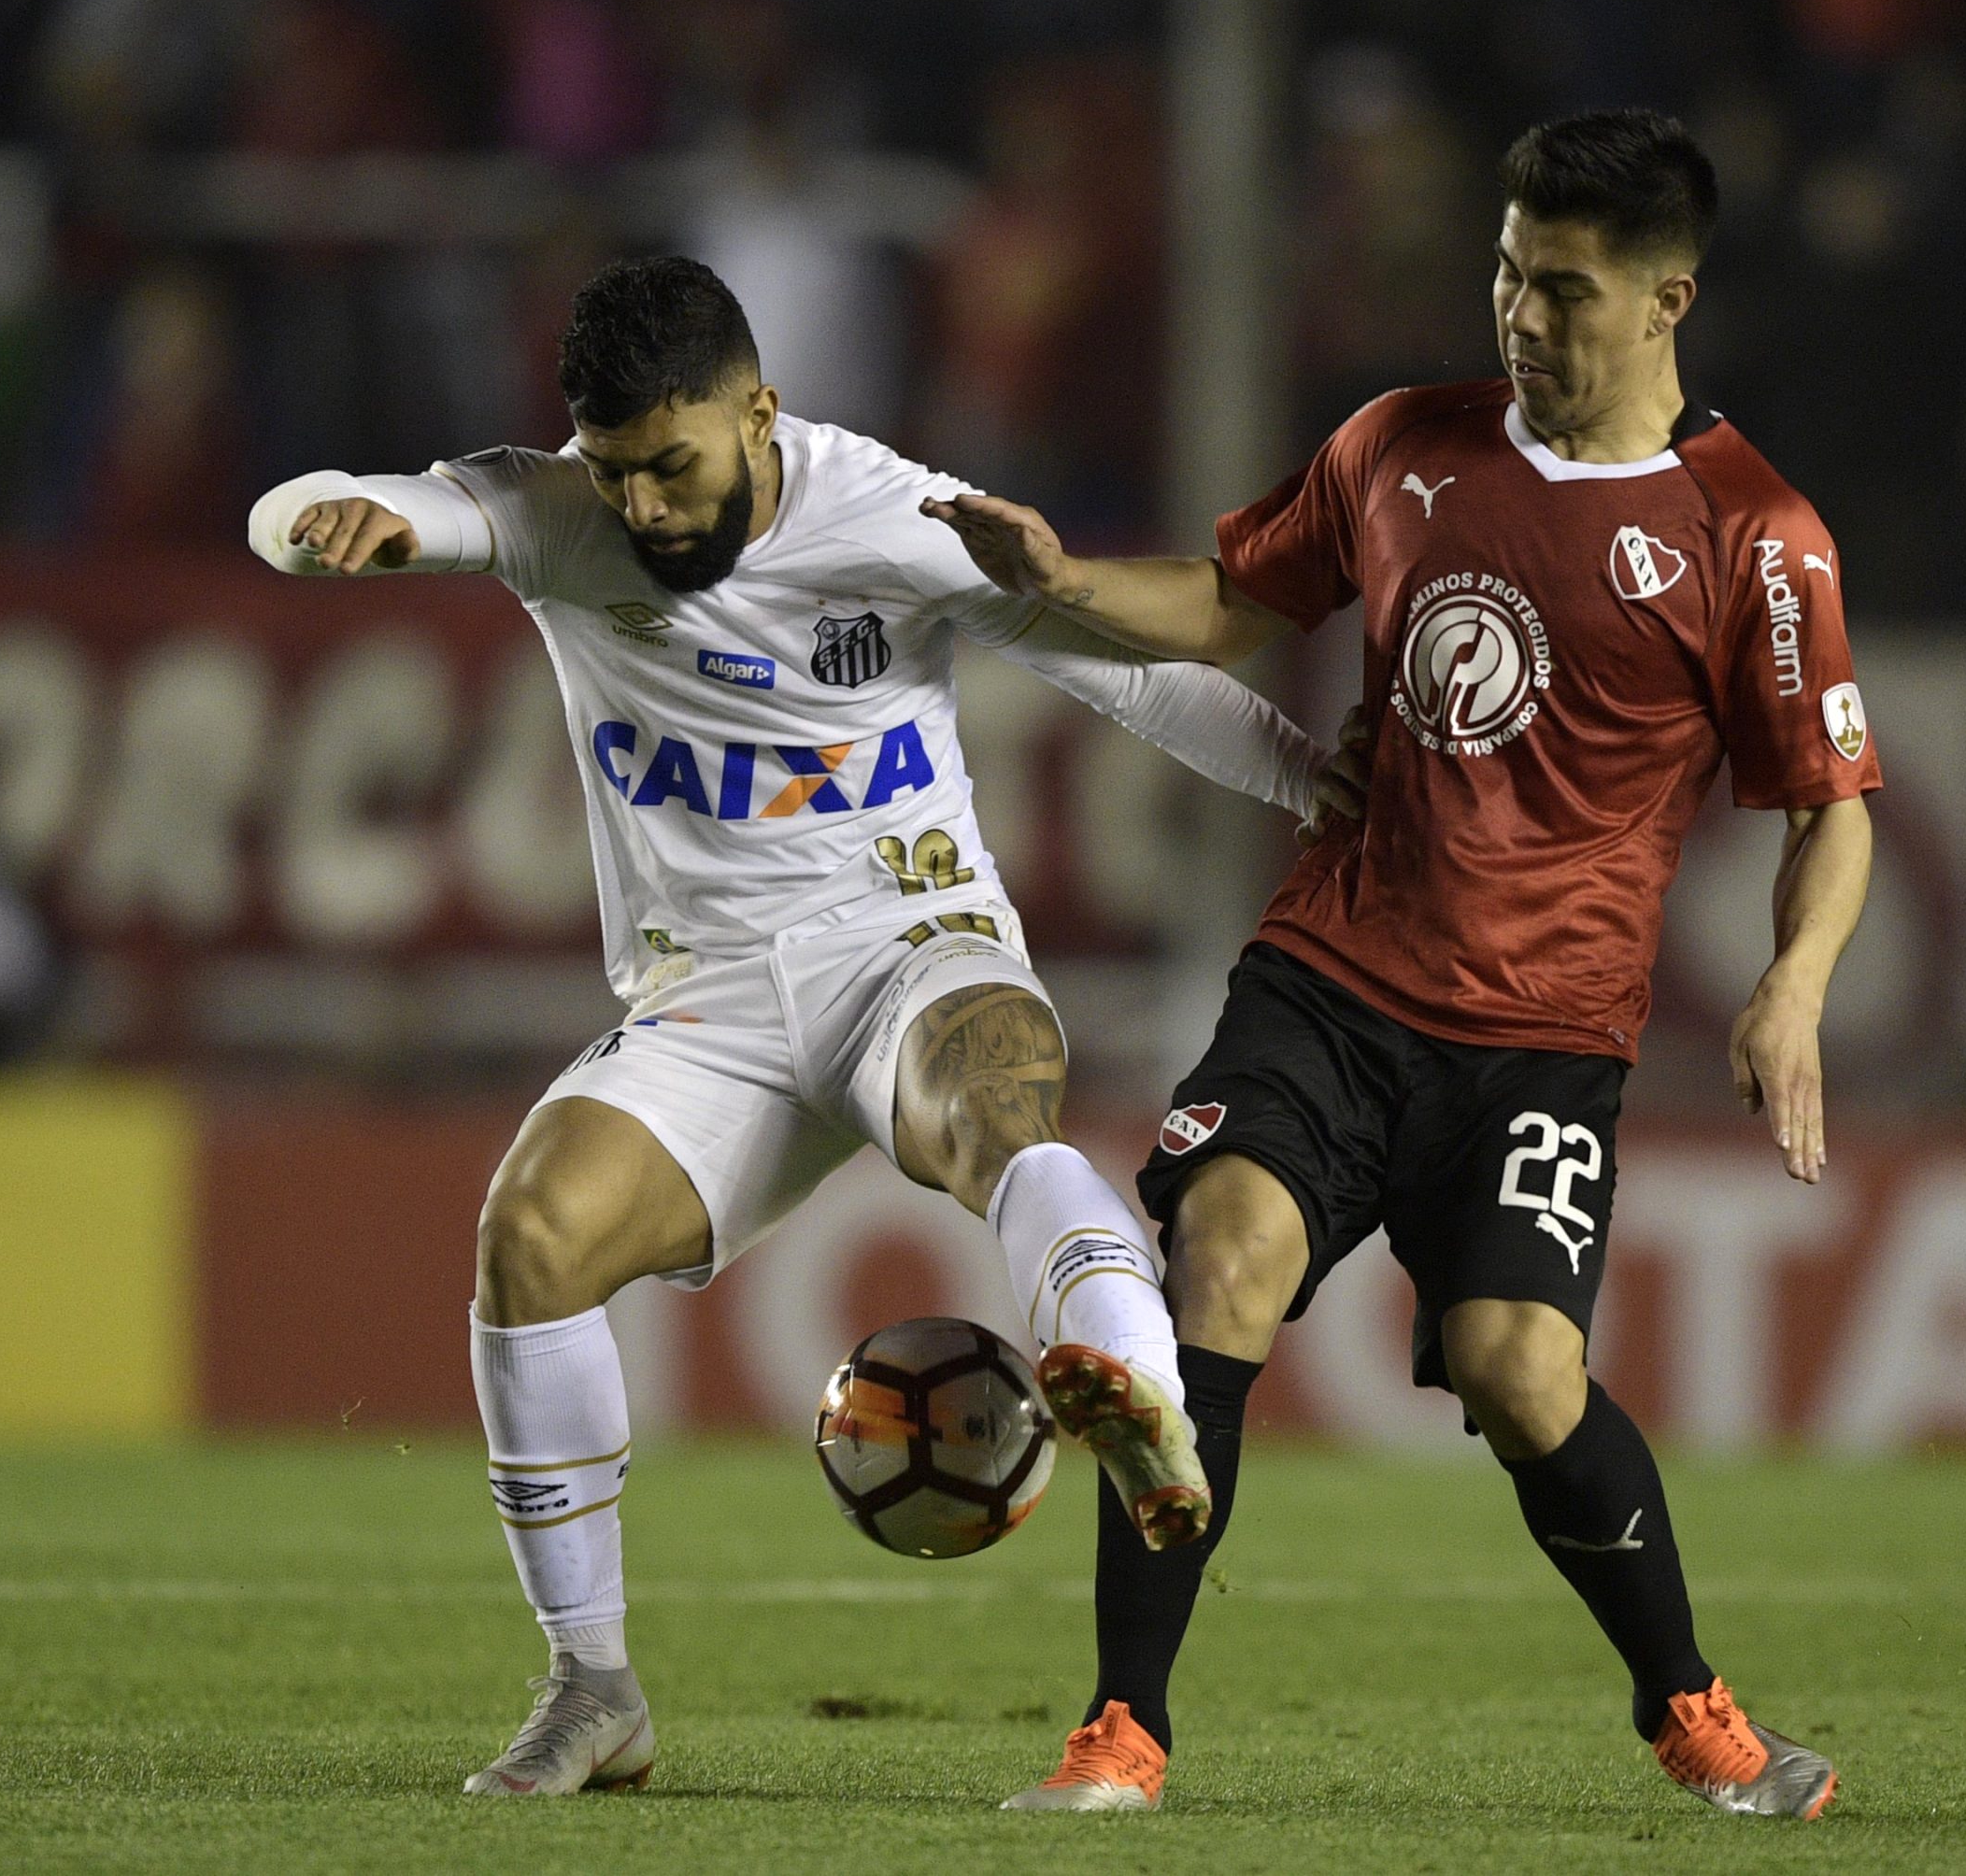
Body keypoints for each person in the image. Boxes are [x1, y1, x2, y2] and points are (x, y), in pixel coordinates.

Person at [246, 256, 1332, 1798]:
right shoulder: (562, 514)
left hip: (911, 942)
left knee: (991, 1115)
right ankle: (592, 1691)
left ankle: (1123, 1369)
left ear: (758, 412)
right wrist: (326, 521)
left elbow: (1127, 674)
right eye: (615, 472)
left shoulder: (883, 511)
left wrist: (1308, 781)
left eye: (674, 467)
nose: (647, 509)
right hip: (709, 1007)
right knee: (531, 1239)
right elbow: (341, 506)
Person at [929, 108, 1877, 1820]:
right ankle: (1120, 1735)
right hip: (1335, 980)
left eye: (1567, 291)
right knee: (1218, 1265)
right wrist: (1069, 581)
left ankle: (1690, 1706)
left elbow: (1833, 804)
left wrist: (1792, 980)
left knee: (1525, 1374)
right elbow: (1230, 600)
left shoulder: (1757, 534)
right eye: (1508, 275)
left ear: (1670, 299)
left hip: (1545, 1038)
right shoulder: (1398, 445)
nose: (1522, 318)